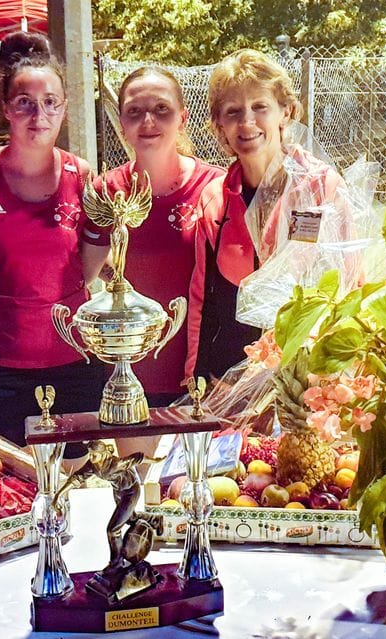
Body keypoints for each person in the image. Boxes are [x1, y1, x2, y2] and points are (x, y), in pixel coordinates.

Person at [0, 32, 108, 448]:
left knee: (79, 475)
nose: (38, 114)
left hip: (73, 361)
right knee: (3, 476)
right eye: (24, 102)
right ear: (6, 107)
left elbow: (86, 269)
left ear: (64, 108)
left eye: (50, 102)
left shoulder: (83, 176)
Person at [185, 49, 352, 381]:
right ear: (219, 124)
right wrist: (196, 378)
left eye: (260, 106)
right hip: (229, 383)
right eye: (233, 111)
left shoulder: (320, 188)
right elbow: (202, 302)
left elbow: (347, 289)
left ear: (285, 112)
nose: (247, 122)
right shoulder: (215, 199)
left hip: (301, 382)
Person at [86, 67, 224, 407]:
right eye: (134, 111)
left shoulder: (215, 187)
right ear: (122, 123)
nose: (148, 121)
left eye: (161, 109)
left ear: (182, 118)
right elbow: (84, 273)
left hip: (203, 376)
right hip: (124, 377)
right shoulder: (105, 191)